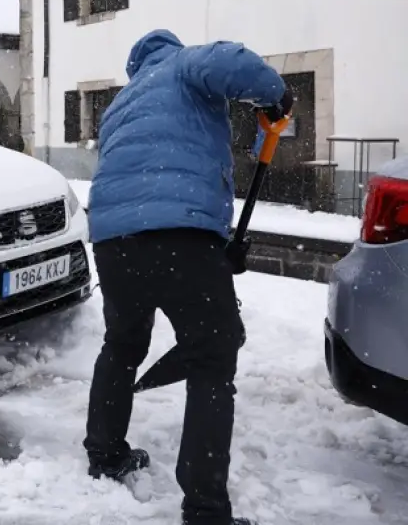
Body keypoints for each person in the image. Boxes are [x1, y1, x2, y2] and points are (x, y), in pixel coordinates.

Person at [84, 30, 293, 525]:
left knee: (122, 344)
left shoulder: (120, 103)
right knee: (212, 360)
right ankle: (205, 509)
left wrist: (217, 244)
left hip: (114, 240)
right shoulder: (182, 65)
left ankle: (105, 454)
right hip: (179, 233)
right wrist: (276, 92)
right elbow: (232, 62)